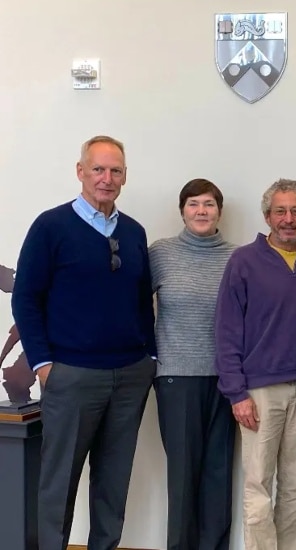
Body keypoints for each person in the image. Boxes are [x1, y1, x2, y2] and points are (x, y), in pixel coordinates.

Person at [11, 135, 157, 550]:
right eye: (98, 169)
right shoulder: (51, 227)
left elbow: (142, 299)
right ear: (80, 172)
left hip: (129, 376)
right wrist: (42, 363)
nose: (106, 179)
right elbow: (25, 297)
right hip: (72, 376)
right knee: (59, 484)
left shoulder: (133, 232)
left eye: (115, 171)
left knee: (114, 483)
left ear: (125, 177)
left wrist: (150, 356)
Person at [215, 178, 296, 550]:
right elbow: (227, 329)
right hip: (258, 391)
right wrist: (236, 393)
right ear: (267, 216)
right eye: (281, 211)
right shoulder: (243, 261)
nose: (289, 219)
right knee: (258, 484)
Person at [149, 178, 237, 550]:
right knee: (183, 477)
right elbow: (133, 307)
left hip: (225, 381)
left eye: (209, 204)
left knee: (218, 477)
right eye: (193, 204)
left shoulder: (238, 256)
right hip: (176, 378)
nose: (202, 211)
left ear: (219, 211)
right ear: (182, 210)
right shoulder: (161, 253)